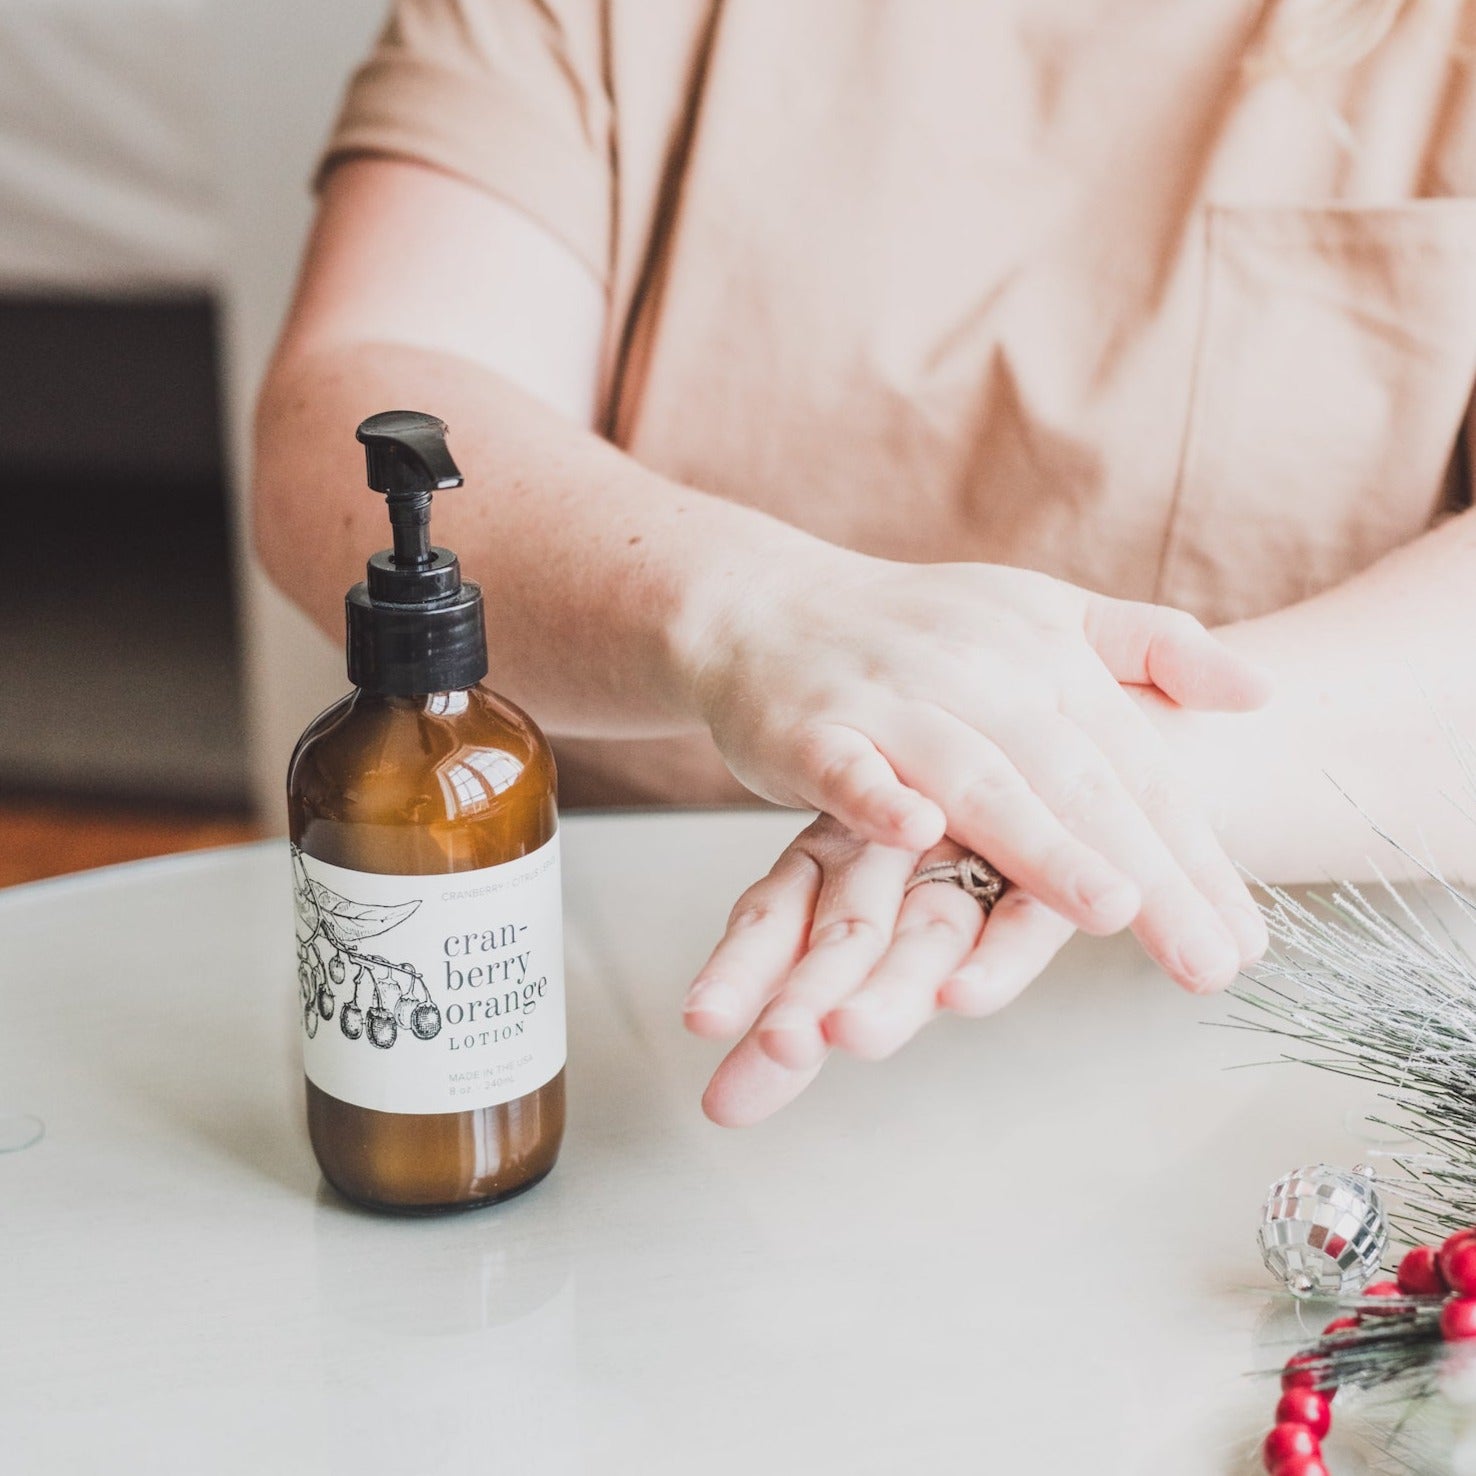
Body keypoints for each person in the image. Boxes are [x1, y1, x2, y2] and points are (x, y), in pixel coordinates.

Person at [255, 0, 1476, 1127]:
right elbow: (356, 411)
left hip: (1297, 1062)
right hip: (631, 1049)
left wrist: (1064, 774)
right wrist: (747, 609)